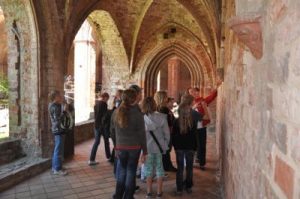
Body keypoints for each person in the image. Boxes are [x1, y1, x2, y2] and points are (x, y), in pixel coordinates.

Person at [111, 89, 147, 199]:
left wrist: (116, 146)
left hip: (121, 147)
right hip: (134, 147)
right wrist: (145, 151)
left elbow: (112, 131)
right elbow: (142, 134)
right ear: (135, 98)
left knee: (122, 171)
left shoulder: (116, 112)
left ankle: (118, 195)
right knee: (131, 172)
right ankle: (128, 196)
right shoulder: (137, 113)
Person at [172, 94, 202, 195]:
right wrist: (195, 147)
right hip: (190, 147)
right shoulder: (192, 122)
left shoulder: (176, 122)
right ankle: (188, 187)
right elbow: (194, 136)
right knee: (189, 168)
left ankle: (179, 188)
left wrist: (175, 146)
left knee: (180, 168)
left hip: (179, 148)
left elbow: (174, 136)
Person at [141, 97, 170, 198]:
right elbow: (167, 134)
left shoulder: (141, 118)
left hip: (147, 148)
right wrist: (165, 145)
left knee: (148, 170)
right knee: (159, 169)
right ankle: (159, 192)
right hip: (158, 147)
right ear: (154, 104)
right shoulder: (162, 117)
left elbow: (140, 136)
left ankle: (149, 192)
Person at [193, 87, 217, 170]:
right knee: (195, 144)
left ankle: (202, 163)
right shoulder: (189, 103)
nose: (193, 93)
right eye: (191, 92)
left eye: (195, 92)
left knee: (202, 144)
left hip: (201, 126)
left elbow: (211, 97)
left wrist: (215, 90)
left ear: (198, 92)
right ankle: (197, 157)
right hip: (193, 127)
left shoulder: (201, 101)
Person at [154, 91, 177, 172]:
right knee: (166, 150)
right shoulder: (163, 109)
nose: (167, 98)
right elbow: (167, 122)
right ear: (163, 98)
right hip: (166, 132)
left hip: (161, 132)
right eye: (166, 96)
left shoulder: (157, 108)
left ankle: (166, 165)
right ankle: (166, 166)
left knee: (165, 150)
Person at [48, 90, 68, 176]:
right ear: (55, 97)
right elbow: (58, 120)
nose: (61, 97)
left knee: (59, 149)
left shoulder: (54, 105)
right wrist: (64, 111)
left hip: (58, 129)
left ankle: (57, 166)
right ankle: (57, 169)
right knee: (58, 150)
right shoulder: (54, 106)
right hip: (58, 129)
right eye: (59, 95)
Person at [88, 92, 111, 165]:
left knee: (96, 142)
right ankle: (109, 157)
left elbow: (97, 115)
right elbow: (105, 116)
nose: (107, 100)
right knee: (106, 141)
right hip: (102, 126)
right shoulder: (104, 104)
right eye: (107, 98)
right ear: (105, 97)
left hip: (96, 125)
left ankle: (91, 159)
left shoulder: (96, 104)